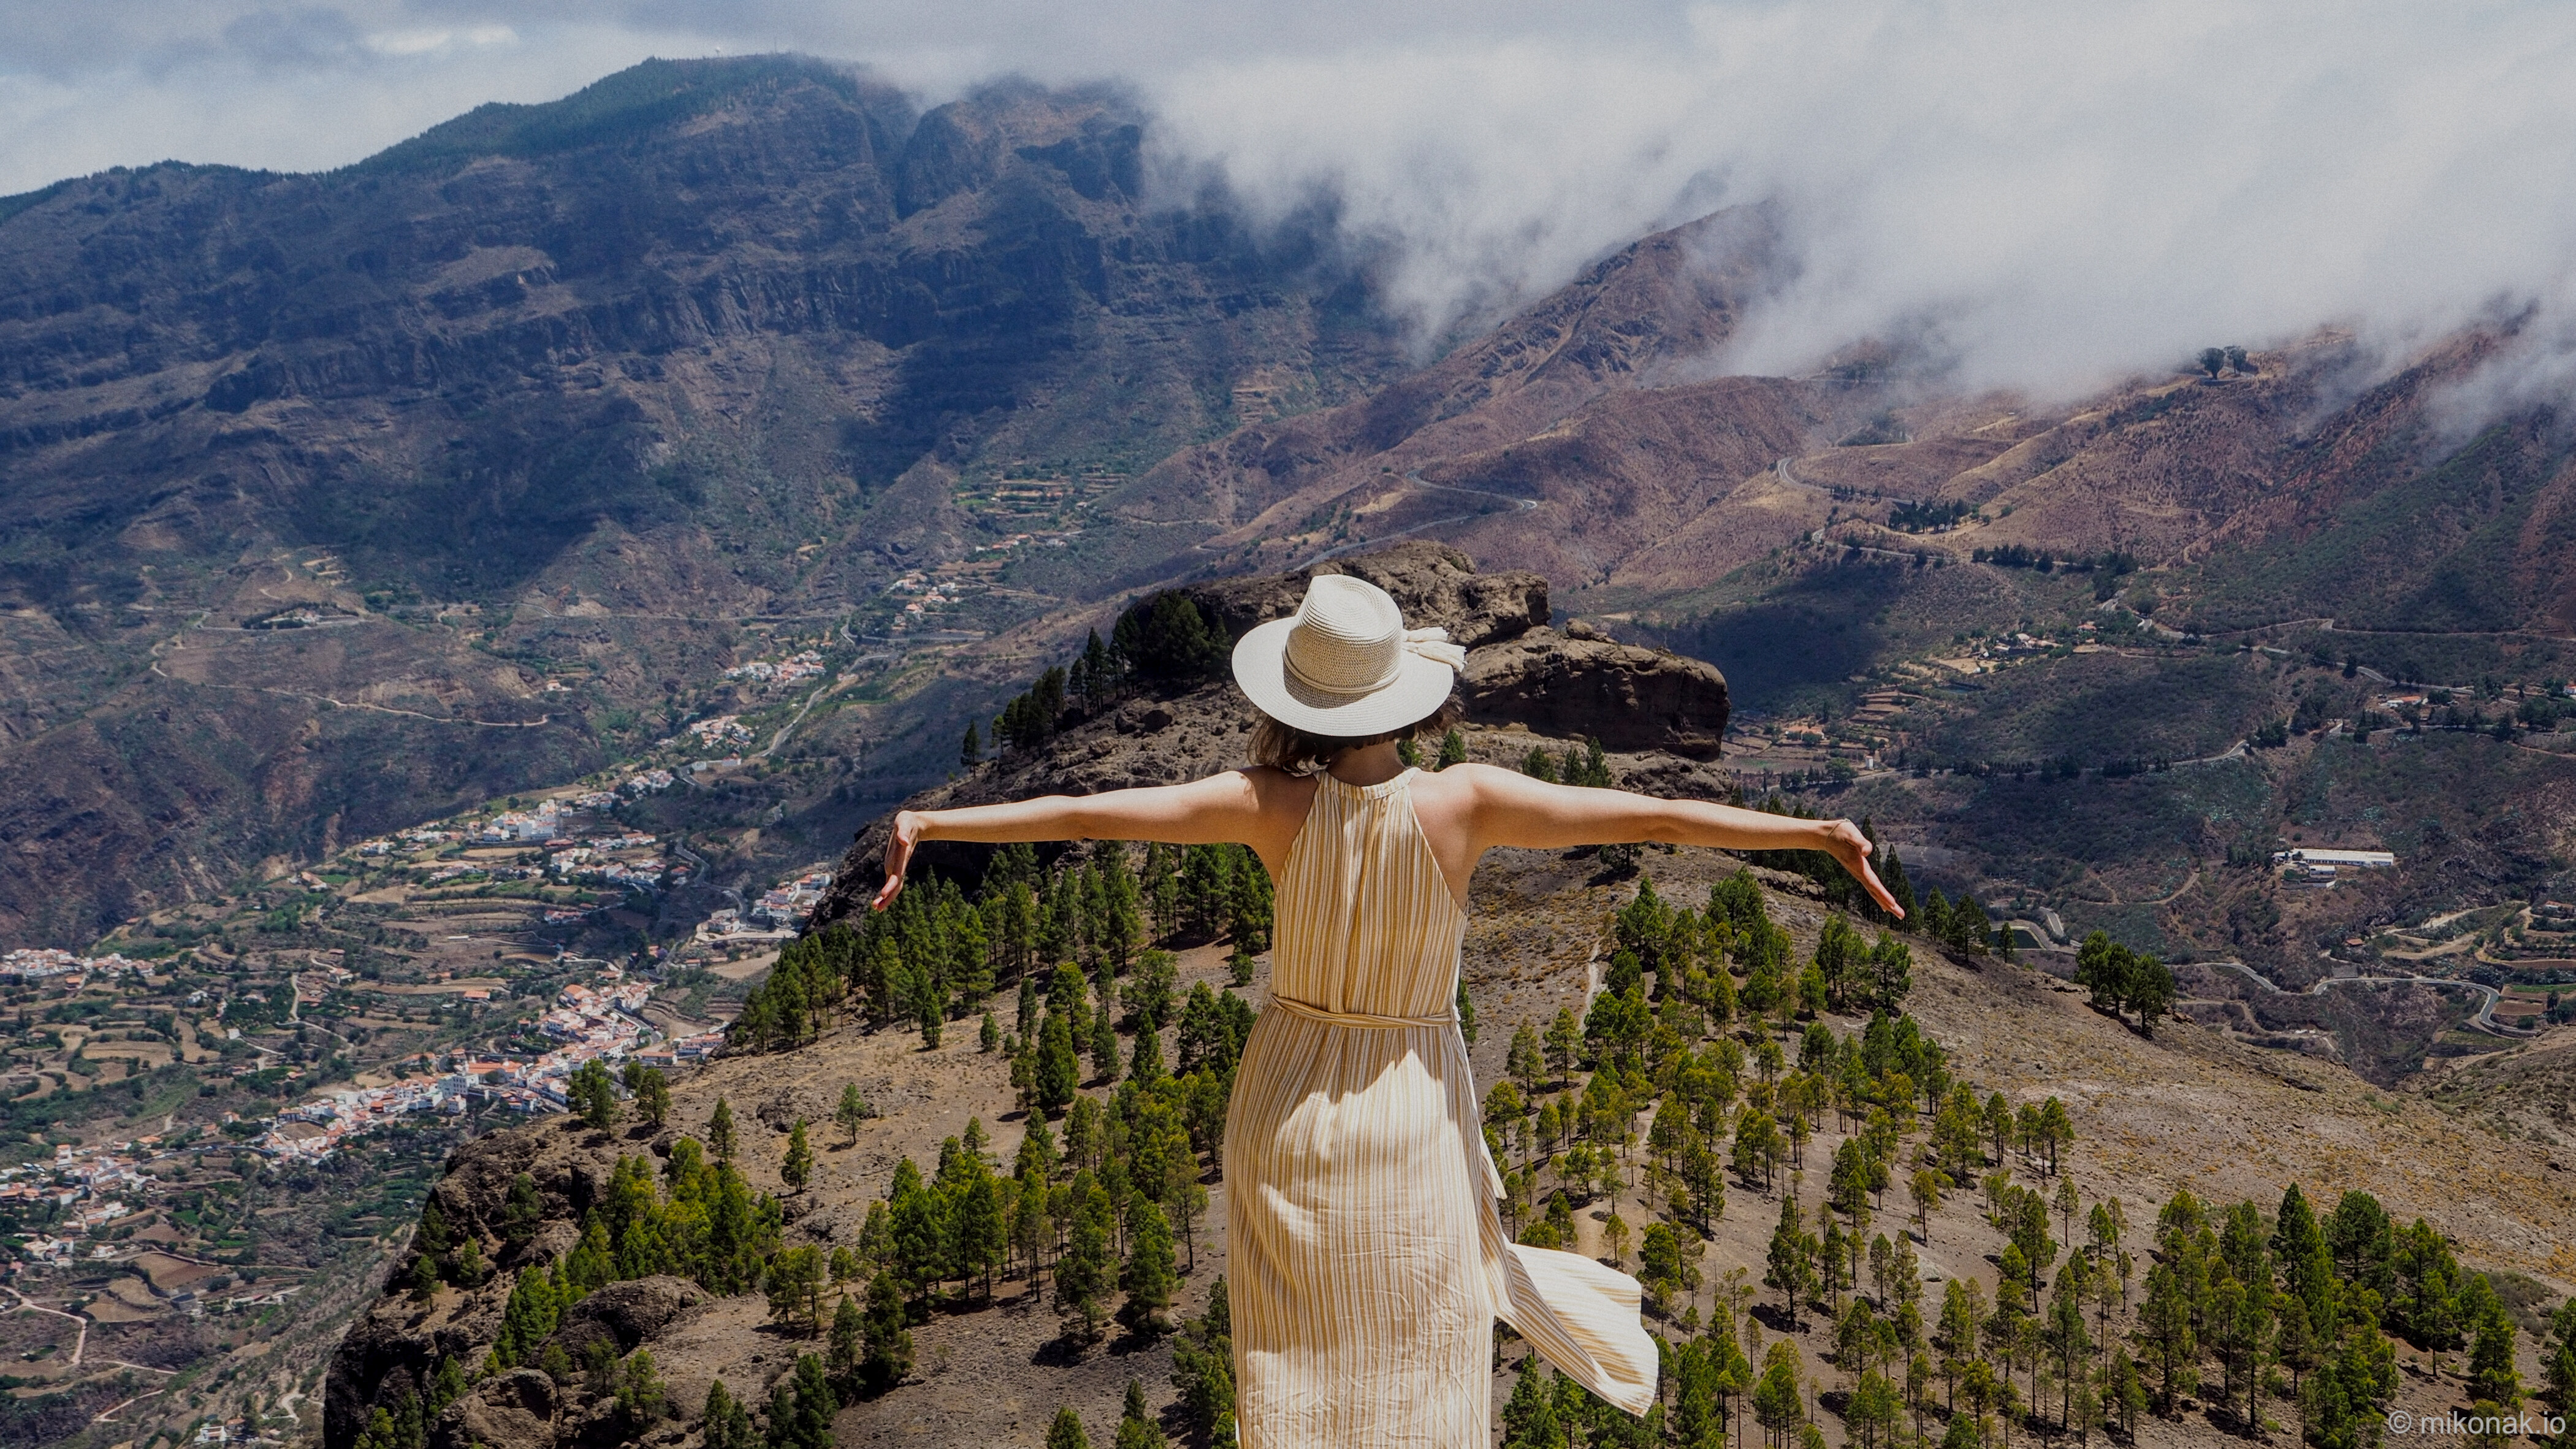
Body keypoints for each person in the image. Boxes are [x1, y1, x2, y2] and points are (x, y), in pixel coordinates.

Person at [875, 573, 1899, 1447]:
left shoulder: (1265, 801)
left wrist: (933, 821)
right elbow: (1663, 814)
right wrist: (1812, 832)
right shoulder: (1466, 801)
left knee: (1296, 1343)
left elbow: (1083, 810)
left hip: (1285, 1105)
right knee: (1424, 1326)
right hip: (1409, 1103)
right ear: (1413, 703)